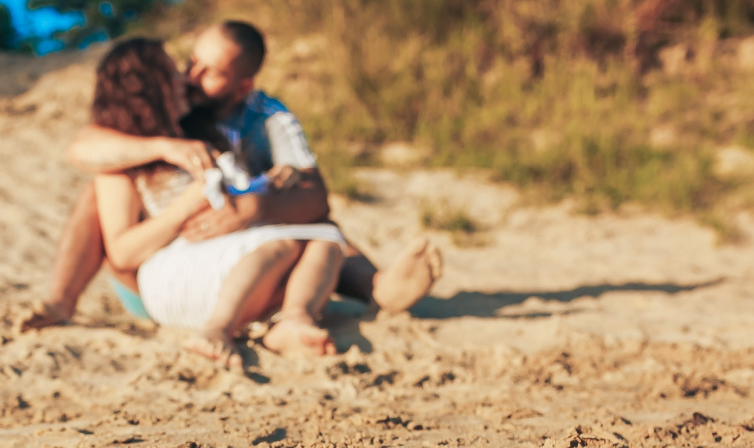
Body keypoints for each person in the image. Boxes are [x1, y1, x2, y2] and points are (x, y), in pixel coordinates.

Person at [23, 21, 443, 335]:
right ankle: (61, 301)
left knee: (317, 228)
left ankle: (377, 288)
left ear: (241, 86)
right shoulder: (158, 121)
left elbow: (315, 196)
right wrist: (162, 148)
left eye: (207, 72)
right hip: (157, 269)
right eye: (188, 65)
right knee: (98, 190)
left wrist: (255, 206)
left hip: (230, 245)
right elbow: (83, 148)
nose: (188, 78)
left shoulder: (262, 117)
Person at [74, 37, 350, 367]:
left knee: (327, 240)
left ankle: (294, 320)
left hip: (219, 252)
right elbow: (122, 252)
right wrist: (187, 204)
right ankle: (218, 330)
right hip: (174, 265)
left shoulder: (199, 135)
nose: (184, 78)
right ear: (150, 88)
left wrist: (271, 182)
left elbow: (246, 194)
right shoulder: (120, 164)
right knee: (283, 246)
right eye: (173, 71)